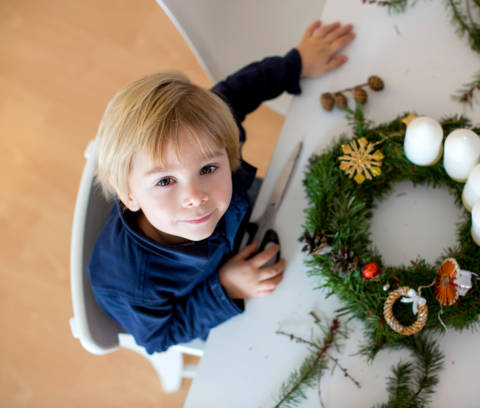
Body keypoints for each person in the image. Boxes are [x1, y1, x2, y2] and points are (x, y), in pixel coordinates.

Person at [89, 21, 355, 354]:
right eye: (165, 180)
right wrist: (225, 286)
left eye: (208, 168)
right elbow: (160, 336)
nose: (195, 196)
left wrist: (295, 63)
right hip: (212, 298)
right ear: (128, 193)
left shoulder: (201, 131)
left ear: (226, 152)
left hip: (244, 223)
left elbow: (237, 92)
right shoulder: (131, 284)